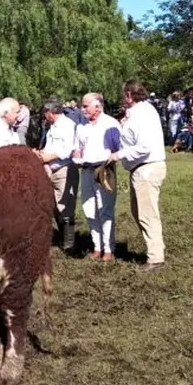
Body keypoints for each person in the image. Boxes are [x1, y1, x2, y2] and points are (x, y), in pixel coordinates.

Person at [110, 80, 167, 272]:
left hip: (146, 167)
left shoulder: (141, 114)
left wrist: (119, 155)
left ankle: (156, 257)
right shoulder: (140, 112)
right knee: (140, 212)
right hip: (142, 168)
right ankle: (155, 250)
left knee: (147, 213)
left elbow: (144, 147)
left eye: (123, 94)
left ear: (128, 94)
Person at [73, 93, 121, 261]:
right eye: (82, 105)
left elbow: (117, 149)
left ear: (98, 107)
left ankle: (109, 249)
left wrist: (108, 164)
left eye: (86, 106)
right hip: (85, 171)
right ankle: (97, 247)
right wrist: (77, 158)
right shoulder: (81, 126)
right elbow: (77, 147)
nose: (82, 109)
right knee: (89, 209)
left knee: (105, 210)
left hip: (104, 170)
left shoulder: (110, 124)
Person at [38, 99, 78, 253]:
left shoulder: (68, 125)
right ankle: (62, 238)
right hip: (51, 169)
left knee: (65, 205)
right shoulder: (52, 127)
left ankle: (69, 244)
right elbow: (49, 147)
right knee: (54, 205)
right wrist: (45, 162)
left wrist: (48, 158)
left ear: (50, 112)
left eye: (45, 113)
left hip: (64, 169)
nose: (44, 116)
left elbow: (67, 150)